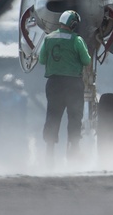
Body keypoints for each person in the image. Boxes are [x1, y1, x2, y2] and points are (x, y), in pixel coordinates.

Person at [39, 9, 91, 163]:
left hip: (54, 84)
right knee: (75, 116)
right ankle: (73, 150)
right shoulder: (77, 40)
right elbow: (87, 60)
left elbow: (42, 60)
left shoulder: (48, 38)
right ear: (73, 24)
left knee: (53, 116)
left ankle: (49, 153)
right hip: (73, 84)